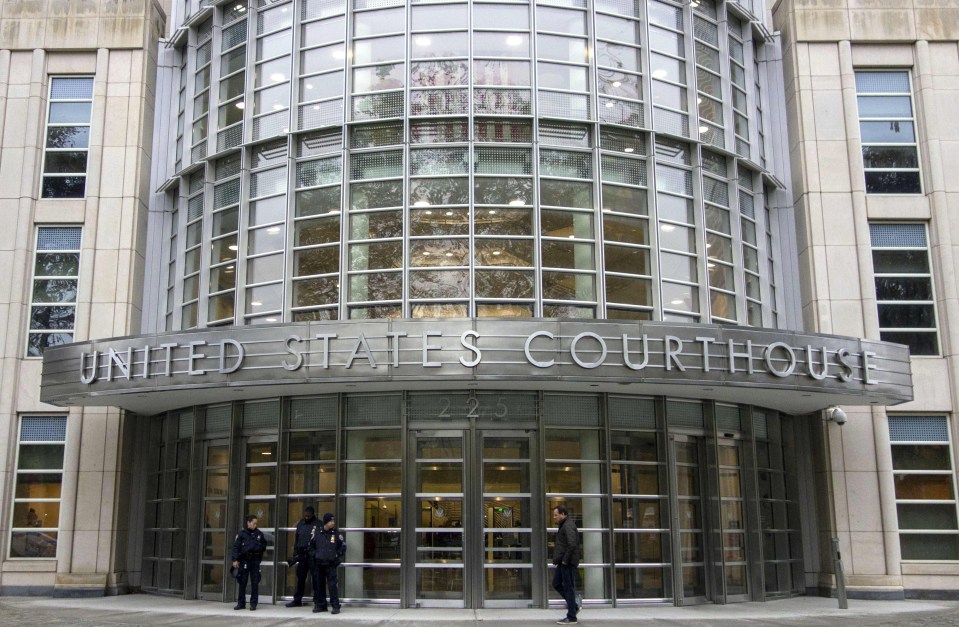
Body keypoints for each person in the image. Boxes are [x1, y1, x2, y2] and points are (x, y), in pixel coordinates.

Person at [231, 514, 268, 611]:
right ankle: (241, 603)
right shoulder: (242, 534)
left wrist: (256, 547)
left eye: (256, 523)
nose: (255, 525)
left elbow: (264, 546)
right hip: (245, 561)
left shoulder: (259, 534)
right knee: (242, 582)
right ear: (248, 523)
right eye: (253, 523)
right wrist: (234, 559)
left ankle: (253, 604)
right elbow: (236, 547)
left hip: (255, 561)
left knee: (255, 582)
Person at [312, 512, 346, 614]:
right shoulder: (317, 533)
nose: (333, 523)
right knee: (319, 585)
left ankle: (335, 606)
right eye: (331, 521)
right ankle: (321, 605)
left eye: (333, 521)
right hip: (319, 564)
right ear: (326, 522)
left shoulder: (336, 534)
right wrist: (315, 555)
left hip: (331, 564)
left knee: (332, 586)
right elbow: (311, 546)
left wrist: (337, 554)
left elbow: (343, 546)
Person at [285, 506, 319, 608]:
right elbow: (297, 539)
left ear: (313, 514)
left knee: (316, 578)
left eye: (309, 515)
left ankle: (317, 600)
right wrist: (295, 553)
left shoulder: (318, 524)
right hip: (302, 555)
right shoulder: (301, 524)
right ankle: (297, 599)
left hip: (313, 556)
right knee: (300, 578)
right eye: (305, 515)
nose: (307, 517)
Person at [551, 505, 580, 625]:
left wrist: (565, 560)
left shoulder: (568, 525)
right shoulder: (564, 525)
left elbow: (572, 544)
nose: (554, 517)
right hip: (563, 562)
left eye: (556, 515)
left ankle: (572, 617)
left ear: (563, 514)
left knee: (569, 588)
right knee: (556, 584)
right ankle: (574, 606)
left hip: (567, 562)